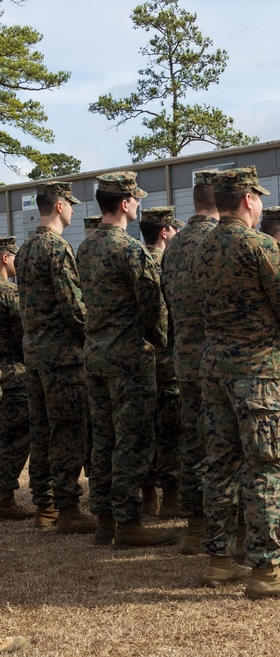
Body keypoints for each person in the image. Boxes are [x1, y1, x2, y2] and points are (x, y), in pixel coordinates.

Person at [193, 166, 280, 599]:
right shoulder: (261, 246)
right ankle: (265, 568)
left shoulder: (201, 249)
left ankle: (220, 560)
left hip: (215, 368)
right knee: (266, 465)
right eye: (258, 197)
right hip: (259, 369)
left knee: (220, 465)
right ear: (248, 199)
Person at [77, 172, 175, 548]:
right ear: (123, 203)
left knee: (103, 439)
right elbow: (153, 309)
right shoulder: (130, 250)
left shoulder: (85, 248)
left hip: (96, 354)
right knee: (132, 441)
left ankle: (105, 519)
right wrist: (165, 344)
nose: (138, 205)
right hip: (129, 358)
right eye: (136, 199)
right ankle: (129, 523)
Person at [15, 181, 94, 534]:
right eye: (71, 205)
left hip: (33, 354)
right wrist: (92, 336)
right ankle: (67, 508)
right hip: (62, 358)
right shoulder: (57, 248)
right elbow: (73, 307)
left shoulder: (25, 249)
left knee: (43, 430)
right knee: (67, 431)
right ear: (59, 205)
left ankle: (44, 505)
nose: (74, 211)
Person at [161, 170, 218, 554]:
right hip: (220, 358)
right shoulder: (221, 241)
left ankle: (196, 528)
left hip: (185, 356)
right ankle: (228, 530)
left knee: (194, 445)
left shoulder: (175, 245)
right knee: (227, 447)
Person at [139, 206, 185, 519]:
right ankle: (170, 498)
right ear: (165, 232)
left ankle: (146, 497)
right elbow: (162, 314)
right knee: (171, 431)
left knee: (145, 429)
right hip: (165, 357)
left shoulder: (135, 259)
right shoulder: (163, 262)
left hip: (141, 359)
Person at [0, 237, 31, 520]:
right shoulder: (10, 293)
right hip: (11, 375)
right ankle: (4, 495)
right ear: (5, 259)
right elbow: (25, 335)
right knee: (17, 435)